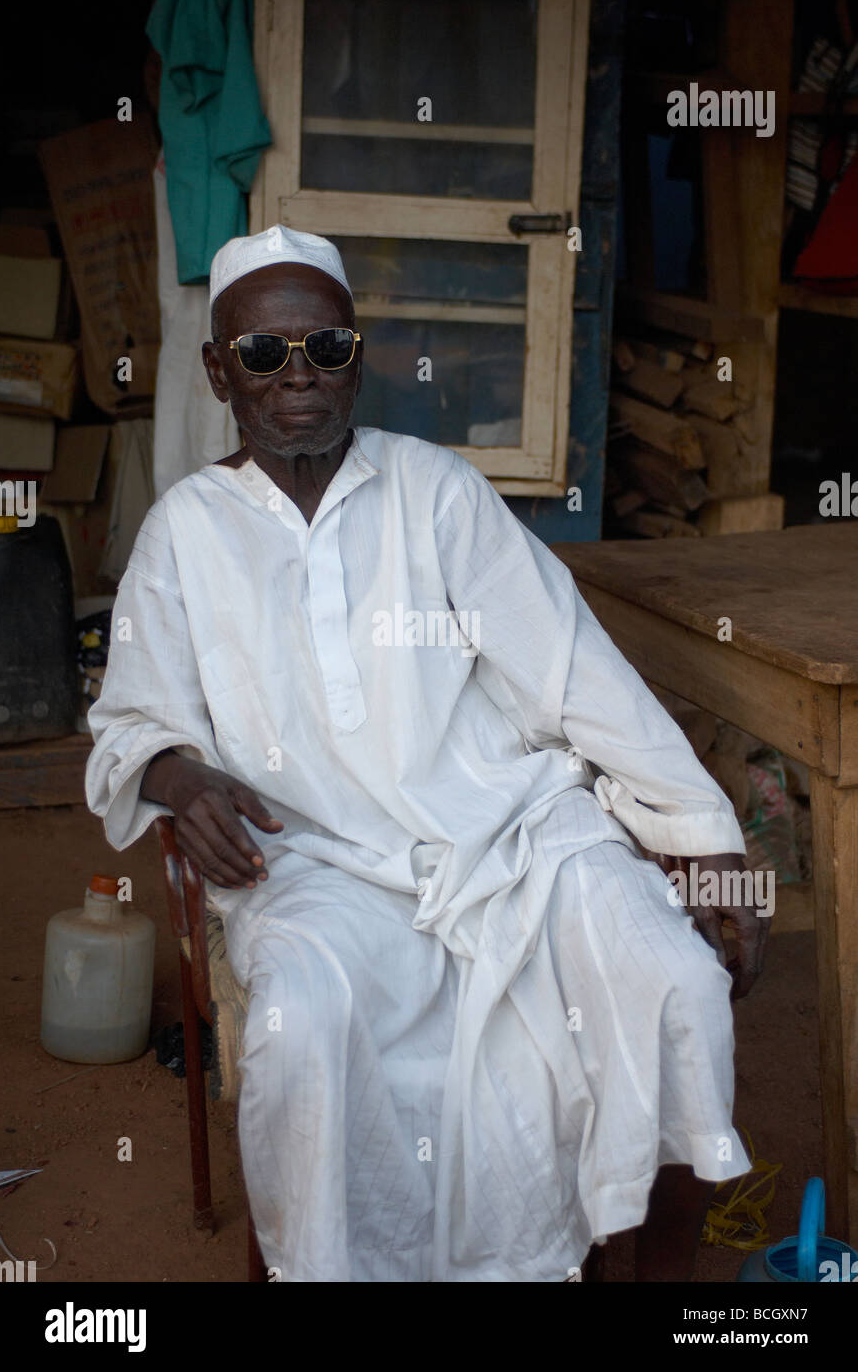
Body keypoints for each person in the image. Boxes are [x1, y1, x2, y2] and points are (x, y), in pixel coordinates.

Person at [86, 226, 767, 1283]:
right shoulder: (185, 532)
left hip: (514, 836)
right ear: (220, 372)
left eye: (326, 347)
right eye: (263, 353)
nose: (299, 374)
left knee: (672, 980)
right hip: (312, 864)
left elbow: (572, 673)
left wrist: (705, 834)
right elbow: (134, 716)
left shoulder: (435, 489)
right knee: (302, 1028)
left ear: (357, 359)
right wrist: (178, 774)